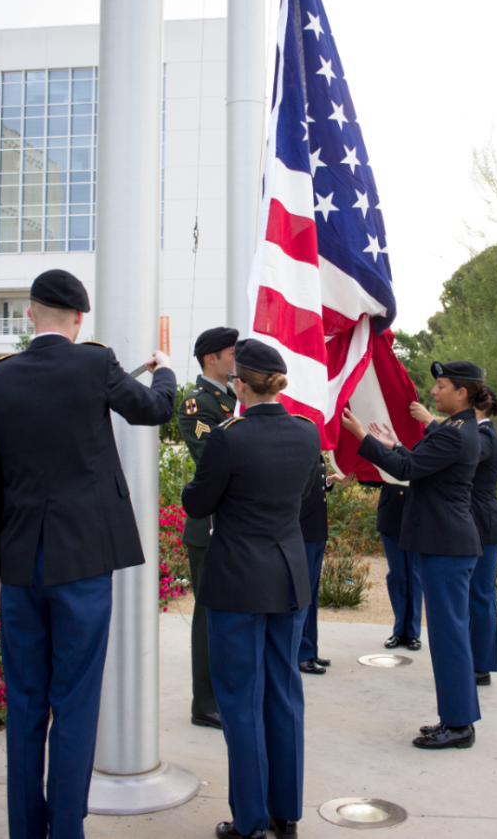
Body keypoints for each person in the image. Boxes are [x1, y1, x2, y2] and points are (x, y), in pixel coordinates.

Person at [0, 269, 176, 839]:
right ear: (78, 319)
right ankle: (67, 827)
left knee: (25, 704)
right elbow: (152, 410)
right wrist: (164, 371)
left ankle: (25, 830)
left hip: (20, 565)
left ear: (29, 316)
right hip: (82, 563)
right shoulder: (96, 363)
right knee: (74, 701)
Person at [182, 338, 320, 839]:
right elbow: (305, 497)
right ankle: (285, 816)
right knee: (283, 695)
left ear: (240, 383)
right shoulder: (306, 433)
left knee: (240, 702)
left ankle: (250, 823)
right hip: (287, 578)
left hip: (238, 580)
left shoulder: (228, 436)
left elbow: (198, 504)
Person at [341, 360, 486, 751]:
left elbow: (407, 470)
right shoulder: (457, 429)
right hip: (446, 544)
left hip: (446, 546)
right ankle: (456, 719)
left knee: (449, 638)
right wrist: (395, 445)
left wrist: (362, 437)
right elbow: (418, 464)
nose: (433, 392)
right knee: (447, 636)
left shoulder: (454, 433)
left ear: (462, 392)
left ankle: (458, 725)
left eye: (441, 386)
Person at [178, 326, 239, 730]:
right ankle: (206, 701)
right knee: (209, 614)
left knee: (233, 613)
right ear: (212, 358)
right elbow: (213, 456)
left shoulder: (237, 400)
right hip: (211, 525)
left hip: (237, 524)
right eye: (232, 353)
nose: (238, 359)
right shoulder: (196, 405)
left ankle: (229, 691)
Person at [469, 386, 497, 687]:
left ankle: (481, 664)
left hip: (483, 524)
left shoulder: (484, 436)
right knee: (477, 594)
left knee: (481, 595)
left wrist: (432, 424)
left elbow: (465, 453)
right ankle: (477, 658)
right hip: (479, 522)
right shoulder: (480, 432)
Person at [298, 461, 354, 675]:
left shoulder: (312, 439)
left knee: (312, 595)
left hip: (316, 529)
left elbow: (314, 479)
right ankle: (301, 654)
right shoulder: (301, 436)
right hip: (303, 527)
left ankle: (310, 650)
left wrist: (330, 480)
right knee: (304, 595)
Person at [360, 482, 423, 652]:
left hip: (417, 516)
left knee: (414, 575)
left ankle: (413, 633)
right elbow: (372, 475)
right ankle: (399, 631)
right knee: (397, 575)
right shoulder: (388, 452)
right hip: (391, 515)